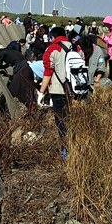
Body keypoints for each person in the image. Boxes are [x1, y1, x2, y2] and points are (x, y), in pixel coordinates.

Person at [38, 27, 76, 157]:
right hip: (74, 89)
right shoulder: (74, 46)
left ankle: (64, 151)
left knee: (60, 120)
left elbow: (48, 71)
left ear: (53, 37)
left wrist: (41, 92)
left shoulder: (52, 49)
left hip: (58, 89)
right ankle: (74, 145)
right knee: (72, 118)